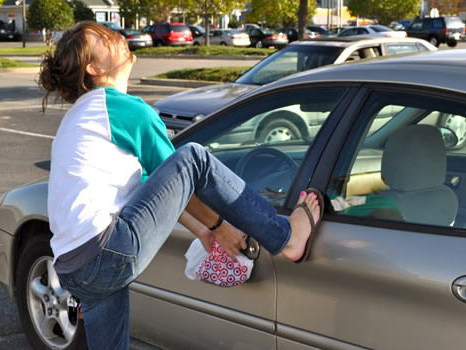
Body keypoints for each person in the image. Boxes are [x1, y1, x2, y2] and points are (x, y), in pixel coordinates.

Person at [38, 21, 323, 350]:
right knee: (194, 159)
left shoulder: (78, 117)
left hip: (74, 267)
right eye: (104, 38)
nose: (116, 36)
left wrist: (203, 231)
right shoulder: (119, 108)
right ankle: (286, 238)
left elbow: (155, 186)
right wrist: (219, 226)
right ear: (94, 67)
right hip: (106, 252)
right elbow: (184, 175)